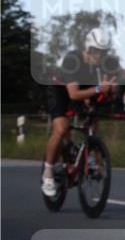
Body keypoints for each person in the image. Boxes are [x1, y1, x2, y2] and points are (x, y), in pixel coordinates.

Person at [42, 28, 116, 197]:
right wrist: (98, 88)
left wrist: (112, 89)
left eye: (104, 52)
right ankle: (48, 172)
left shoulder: (98, 67)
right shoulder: (72, 60)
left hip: (81, 90)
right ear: (89, 49)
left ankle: (86, 152)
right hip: (60, 91)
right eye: (97, 51)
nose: (101, 56)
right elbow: (74, 94)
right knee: (61, 129)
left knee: (93, 118)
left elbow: (99, 92)